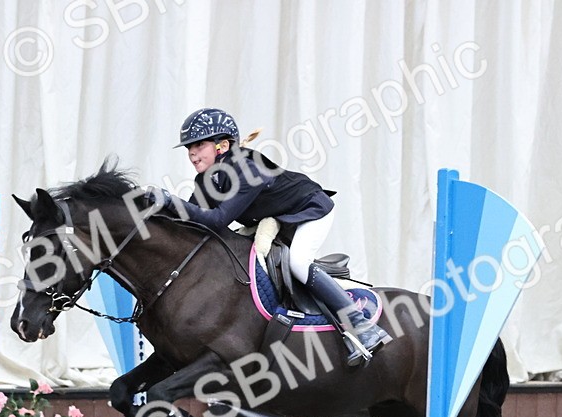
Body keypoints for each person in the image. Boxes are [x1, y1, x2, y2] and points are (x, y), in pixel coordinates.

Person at [147, 107, 390, 366]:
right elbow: (192, 225)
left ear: (223, 146)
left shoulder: (248, 168)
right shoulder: (207, 180)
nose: (192, 153)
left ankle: (361, 325)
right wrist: (155, 211)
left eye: (199, 145)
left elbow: (217, 220)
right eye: (189, 147)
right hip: (274, 219)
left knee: (297, 262)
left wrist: (171, 201)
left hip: (310, 210)